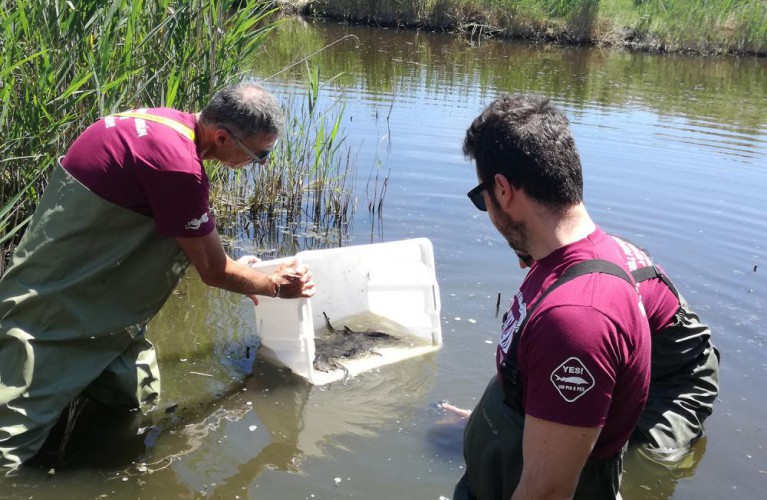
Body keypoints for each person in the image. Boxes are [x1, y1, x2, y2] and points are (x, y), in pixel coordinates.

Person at [0, 82, 315, 472]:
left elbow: (189, 236)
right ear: (221, 137)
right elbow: (213, 271)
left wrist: (245, 267)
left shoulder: (164, 124)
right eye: (259, 155)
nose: (259, 164)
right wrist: (275, 287)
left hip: (101, 298)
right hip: (57, 306)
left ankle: (83, 443)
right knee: (8, 445)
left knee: (132, 396)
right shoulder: (178, 168)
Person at [453, 94, 651, 499]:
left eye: (482, 198)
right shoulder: (566, 259)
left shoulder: (578, 318)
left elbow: (547, 491)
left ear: (503, 190)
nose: (486, 209)